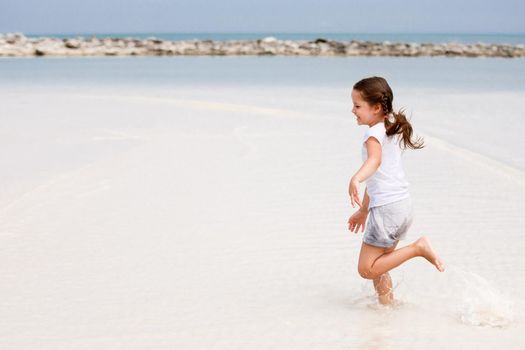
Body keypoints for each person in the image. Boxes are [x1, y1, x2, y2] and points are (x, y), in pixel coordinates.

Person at [347, 76, 445, 306]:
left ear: (377, 107)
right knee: (381, 264)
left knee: (366, 269)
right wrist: (363, 210)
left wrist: (355, 178)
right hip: (401, 207)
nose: (352, 110)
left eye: (358, 106)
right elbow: (380, 178)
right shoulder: (388, 128)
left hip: (387, 211)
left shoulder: (373, 135)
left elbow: (374, 163)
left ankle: (418, 248)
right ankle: (386, 308)